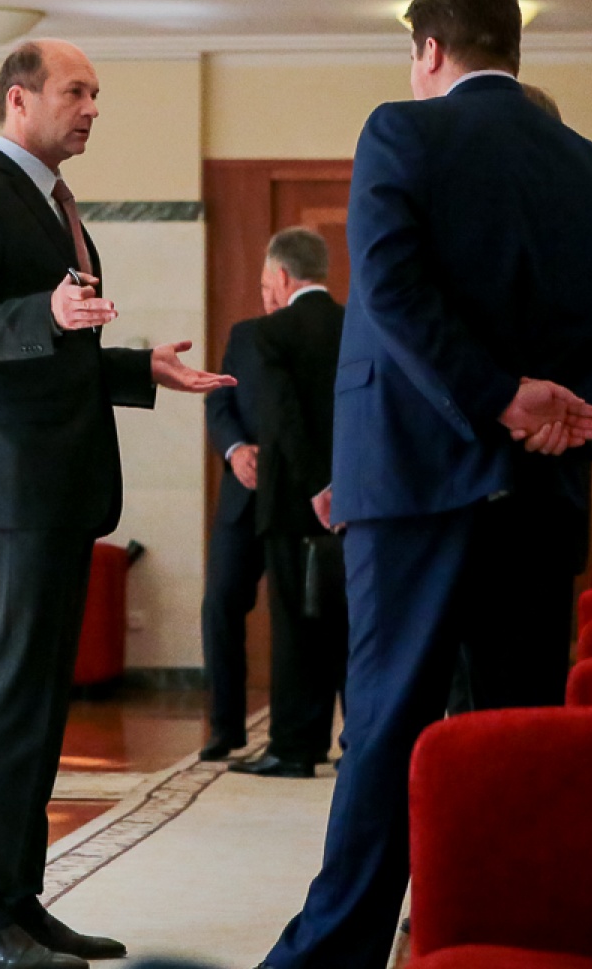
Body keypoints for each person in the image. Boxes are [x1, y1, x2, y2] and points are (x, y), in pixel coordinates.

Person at [263, 0, 592, 967]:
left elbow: (391, 289)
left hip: (412, 481)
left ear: (431, 51)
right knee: (515, 728)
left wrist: (500, 397)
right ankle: (501, 932)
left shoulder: (401, 131)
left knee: (390, 723)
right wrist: (571, 414)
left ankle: (333, 953)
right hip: (543, 486)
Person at [0, 38, 232, 969]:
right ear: (18, 100)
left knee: (40, 704)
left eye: (96, 93)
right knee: (13, 697)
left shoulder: (52, 201)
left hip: (55, 487)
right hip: (12, 489)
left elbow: (55, 350)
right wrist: (46, 314)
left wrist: (140, 369)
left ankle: (18, 901)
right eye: (75, 91)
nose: (92, 108)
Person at [228, 228, 348, 779]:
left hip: (295, 501)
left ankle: (296, 747)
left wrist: (317, 486)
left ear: (281, 276)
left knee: (296, 627)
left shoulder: (272, 333)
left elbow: (283, 420)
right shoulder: (356, 325)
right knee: (352, 624)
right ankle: (360, 742)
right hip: (356, 501)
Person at [200, 311, 271, 762]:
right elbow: (219, 403)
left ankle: (308, 733)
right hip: (240, 499)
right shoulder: (243, 336)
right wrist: (236, 450)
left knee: (311, 615)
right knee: (220, 606)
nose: (267, 294)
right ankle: (225, 728)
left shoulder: (329, 328)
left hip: (301, 498)